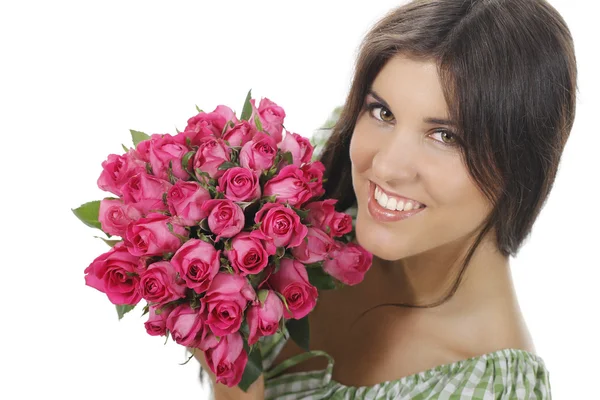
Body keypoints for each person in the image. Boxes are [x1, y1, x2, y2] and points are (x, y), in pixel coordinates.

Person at [194, 0, 577, 398]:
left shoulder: (483, 389)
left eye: (445, 136)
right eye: (383, 113)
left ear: (522, 165)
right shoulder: (327, 177)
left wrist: (232, 377)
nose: (387, 166)